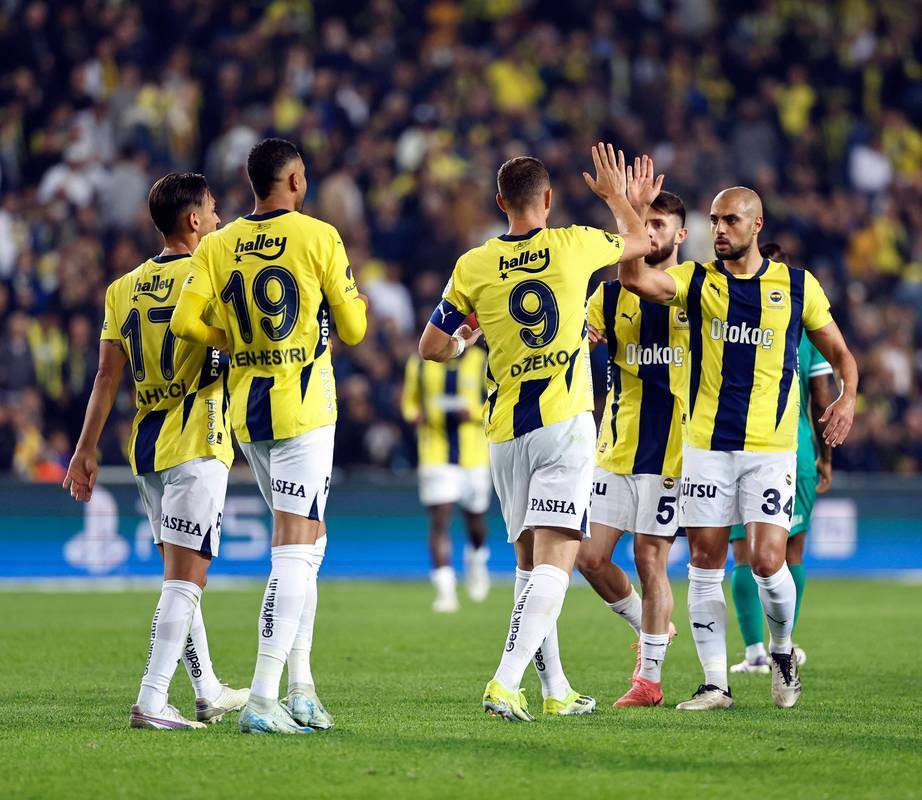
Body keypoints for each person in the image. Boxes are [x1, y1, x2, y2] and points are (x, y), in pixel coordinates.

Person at [418, 144, 653, 721]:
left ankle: (556, 690)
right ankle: (505, 682)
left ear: (501, 202)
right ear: (547, 199)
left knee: (529, 567)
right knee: (555, 562)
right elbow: (641, 242)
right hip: (563, 424)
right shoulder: (574, 244)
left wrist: (467, 338)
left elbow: (431, 348)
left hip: (504, 433)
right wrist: (617, 196)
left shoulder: (473, 264)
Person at [618, 176, 858, 710]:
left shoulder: (798, 286)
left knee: (769, 561)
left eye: (730, 220)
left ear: (757, 224)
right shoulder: (695, 279)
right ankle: (714, 685)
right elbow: (633, 278)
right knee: (705, 563)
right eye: (713, 220)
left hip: (770, 450)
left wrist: (848, 399)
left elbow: (841, 355)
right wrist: (631, 214)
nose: (719, 229)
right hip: (705, 447)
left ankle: (781, 651)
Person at [171, 138, 368, 734]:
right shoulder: (319, 236)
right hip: (304, 409)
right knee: (294, 549)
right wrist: (344, 309)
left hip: (248, 413)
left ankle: (301, 688)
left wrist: (234, 342)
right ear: (296, 181)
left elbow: (184, 321)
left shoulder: (219, 242)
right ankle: (262, 697)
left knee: (310, 543)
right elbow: (354, 329)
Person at [63, 173, 248, 730]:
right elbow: (237, 348)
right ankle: (151, 699)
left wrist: (85, 449)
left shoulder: (122, 288)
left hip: (146, 447)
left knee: (179, 574)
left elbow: (106, 375)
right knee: (186, 581)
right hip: (197, 440)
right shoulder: (212, 273)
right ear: (193, 219)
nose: (217, 219)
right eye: (212, 210)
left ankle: (207, 689)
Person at [577, 163, 687, 708]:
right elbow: (580, 338)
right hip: (616, 446)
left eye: (660, 224)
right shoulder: (606, 295)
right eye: (645, 223)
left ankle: (649, 680)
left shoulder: (696, 290)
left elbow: (638, 276)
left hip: (672, 452)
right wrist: (580, 333)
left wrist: (624, 203)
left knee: (650, 558)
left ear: (680, 235)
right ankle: (651, 627)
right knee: (589, 558)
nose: (651, 232)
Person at [729, 242, 835, 673]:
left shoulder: (732, 323)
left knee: (742, 552)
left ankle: (754, 650)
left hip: (738, 447)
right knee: (792, 553)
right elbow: (821, 399)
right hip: (796, 451)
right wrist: (826, 458)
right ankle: (782, 646)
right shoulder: (808, 334)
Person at [401, 348, 492, 612]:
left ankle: (476, 561)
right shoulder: (419, 363)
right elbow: (409, 402)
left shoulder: (482, 361)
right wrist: (414, 415)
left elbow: (496, 401)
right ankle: (446, 592)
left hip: (474, 455)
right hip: (435, 452)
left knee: (475, 519)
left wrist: (473, 412)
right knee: (440, 519)